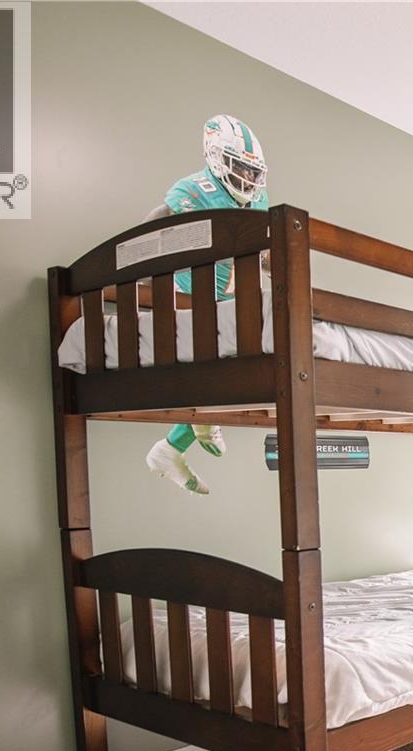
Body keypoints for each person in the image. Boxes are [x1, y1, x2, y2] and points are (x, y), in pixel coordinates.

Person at [143, 114, 269, 495]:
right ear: (216, 158)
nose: (247, 179)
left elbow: (262, 249)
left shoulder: (258, 198)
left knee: (236, 356)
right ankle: (199, 423)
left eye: (252, 172)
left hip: (230, 293)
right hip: (189, 291)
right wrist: (148, 283)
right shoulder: (193, 189)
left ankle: (179, 440)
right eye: (240, 169)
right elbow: (149, 228)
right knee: (218, 361)